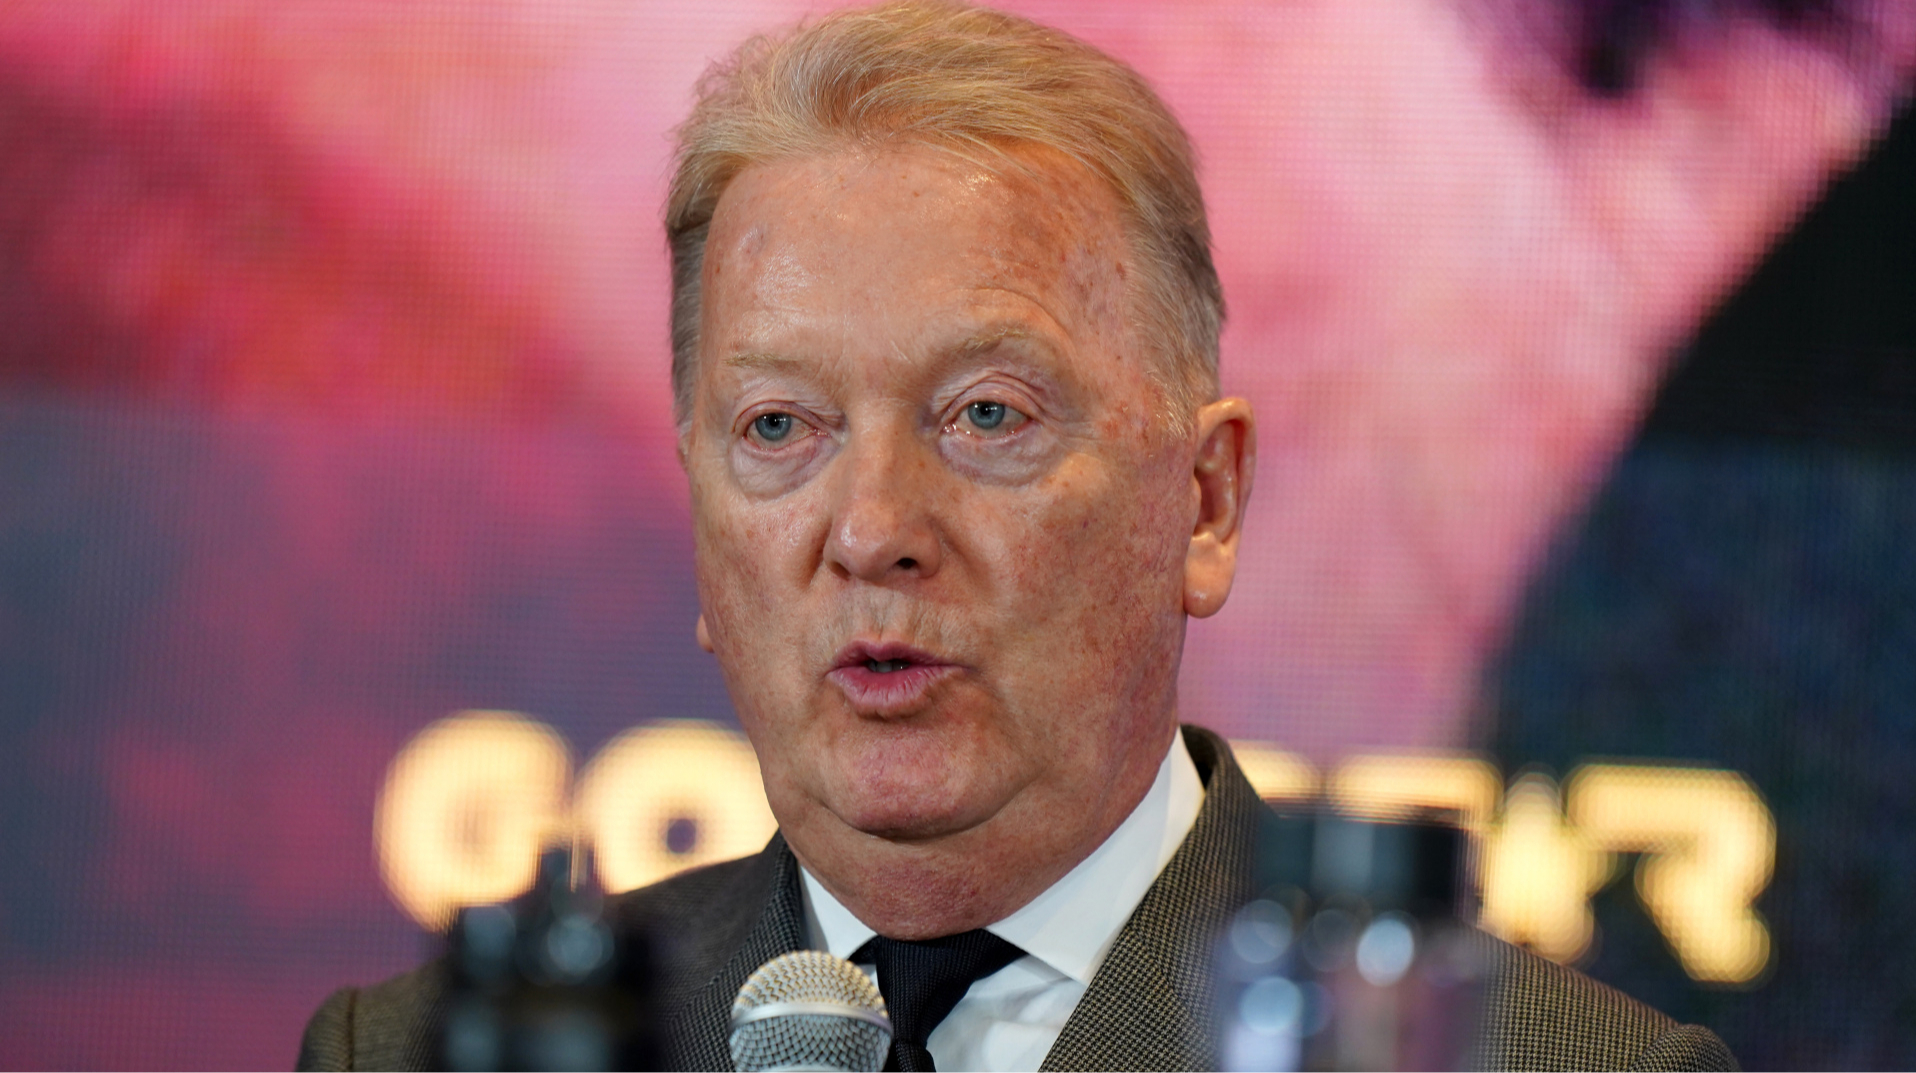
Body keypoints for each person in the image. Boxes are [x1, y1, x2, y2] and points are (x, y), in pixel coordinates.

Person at [298, 2, 1737, 1069]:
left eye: (987, 415)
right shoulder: (425, 1057)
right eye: (780, 428)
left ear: (1206, 500)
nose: (873, 530)